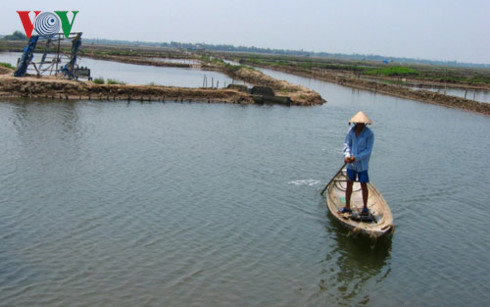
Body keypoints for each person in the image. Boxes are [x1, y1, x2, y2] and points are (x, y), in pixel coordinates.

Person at [339, 111, 374, 216]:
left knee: (363, 184)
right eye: (357, 123)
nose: (358, 125)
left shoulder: (369, 134)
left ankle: (365, 208)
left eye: (361, 123)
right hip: (351, 164)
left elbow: (368, 150)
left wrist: (357, 158)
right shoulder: (351, 131)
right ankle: (347, 207)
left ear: (364, 124)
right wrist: (347, 155)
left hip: (362, 164)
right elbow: (347, 144)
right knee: (349, 184)